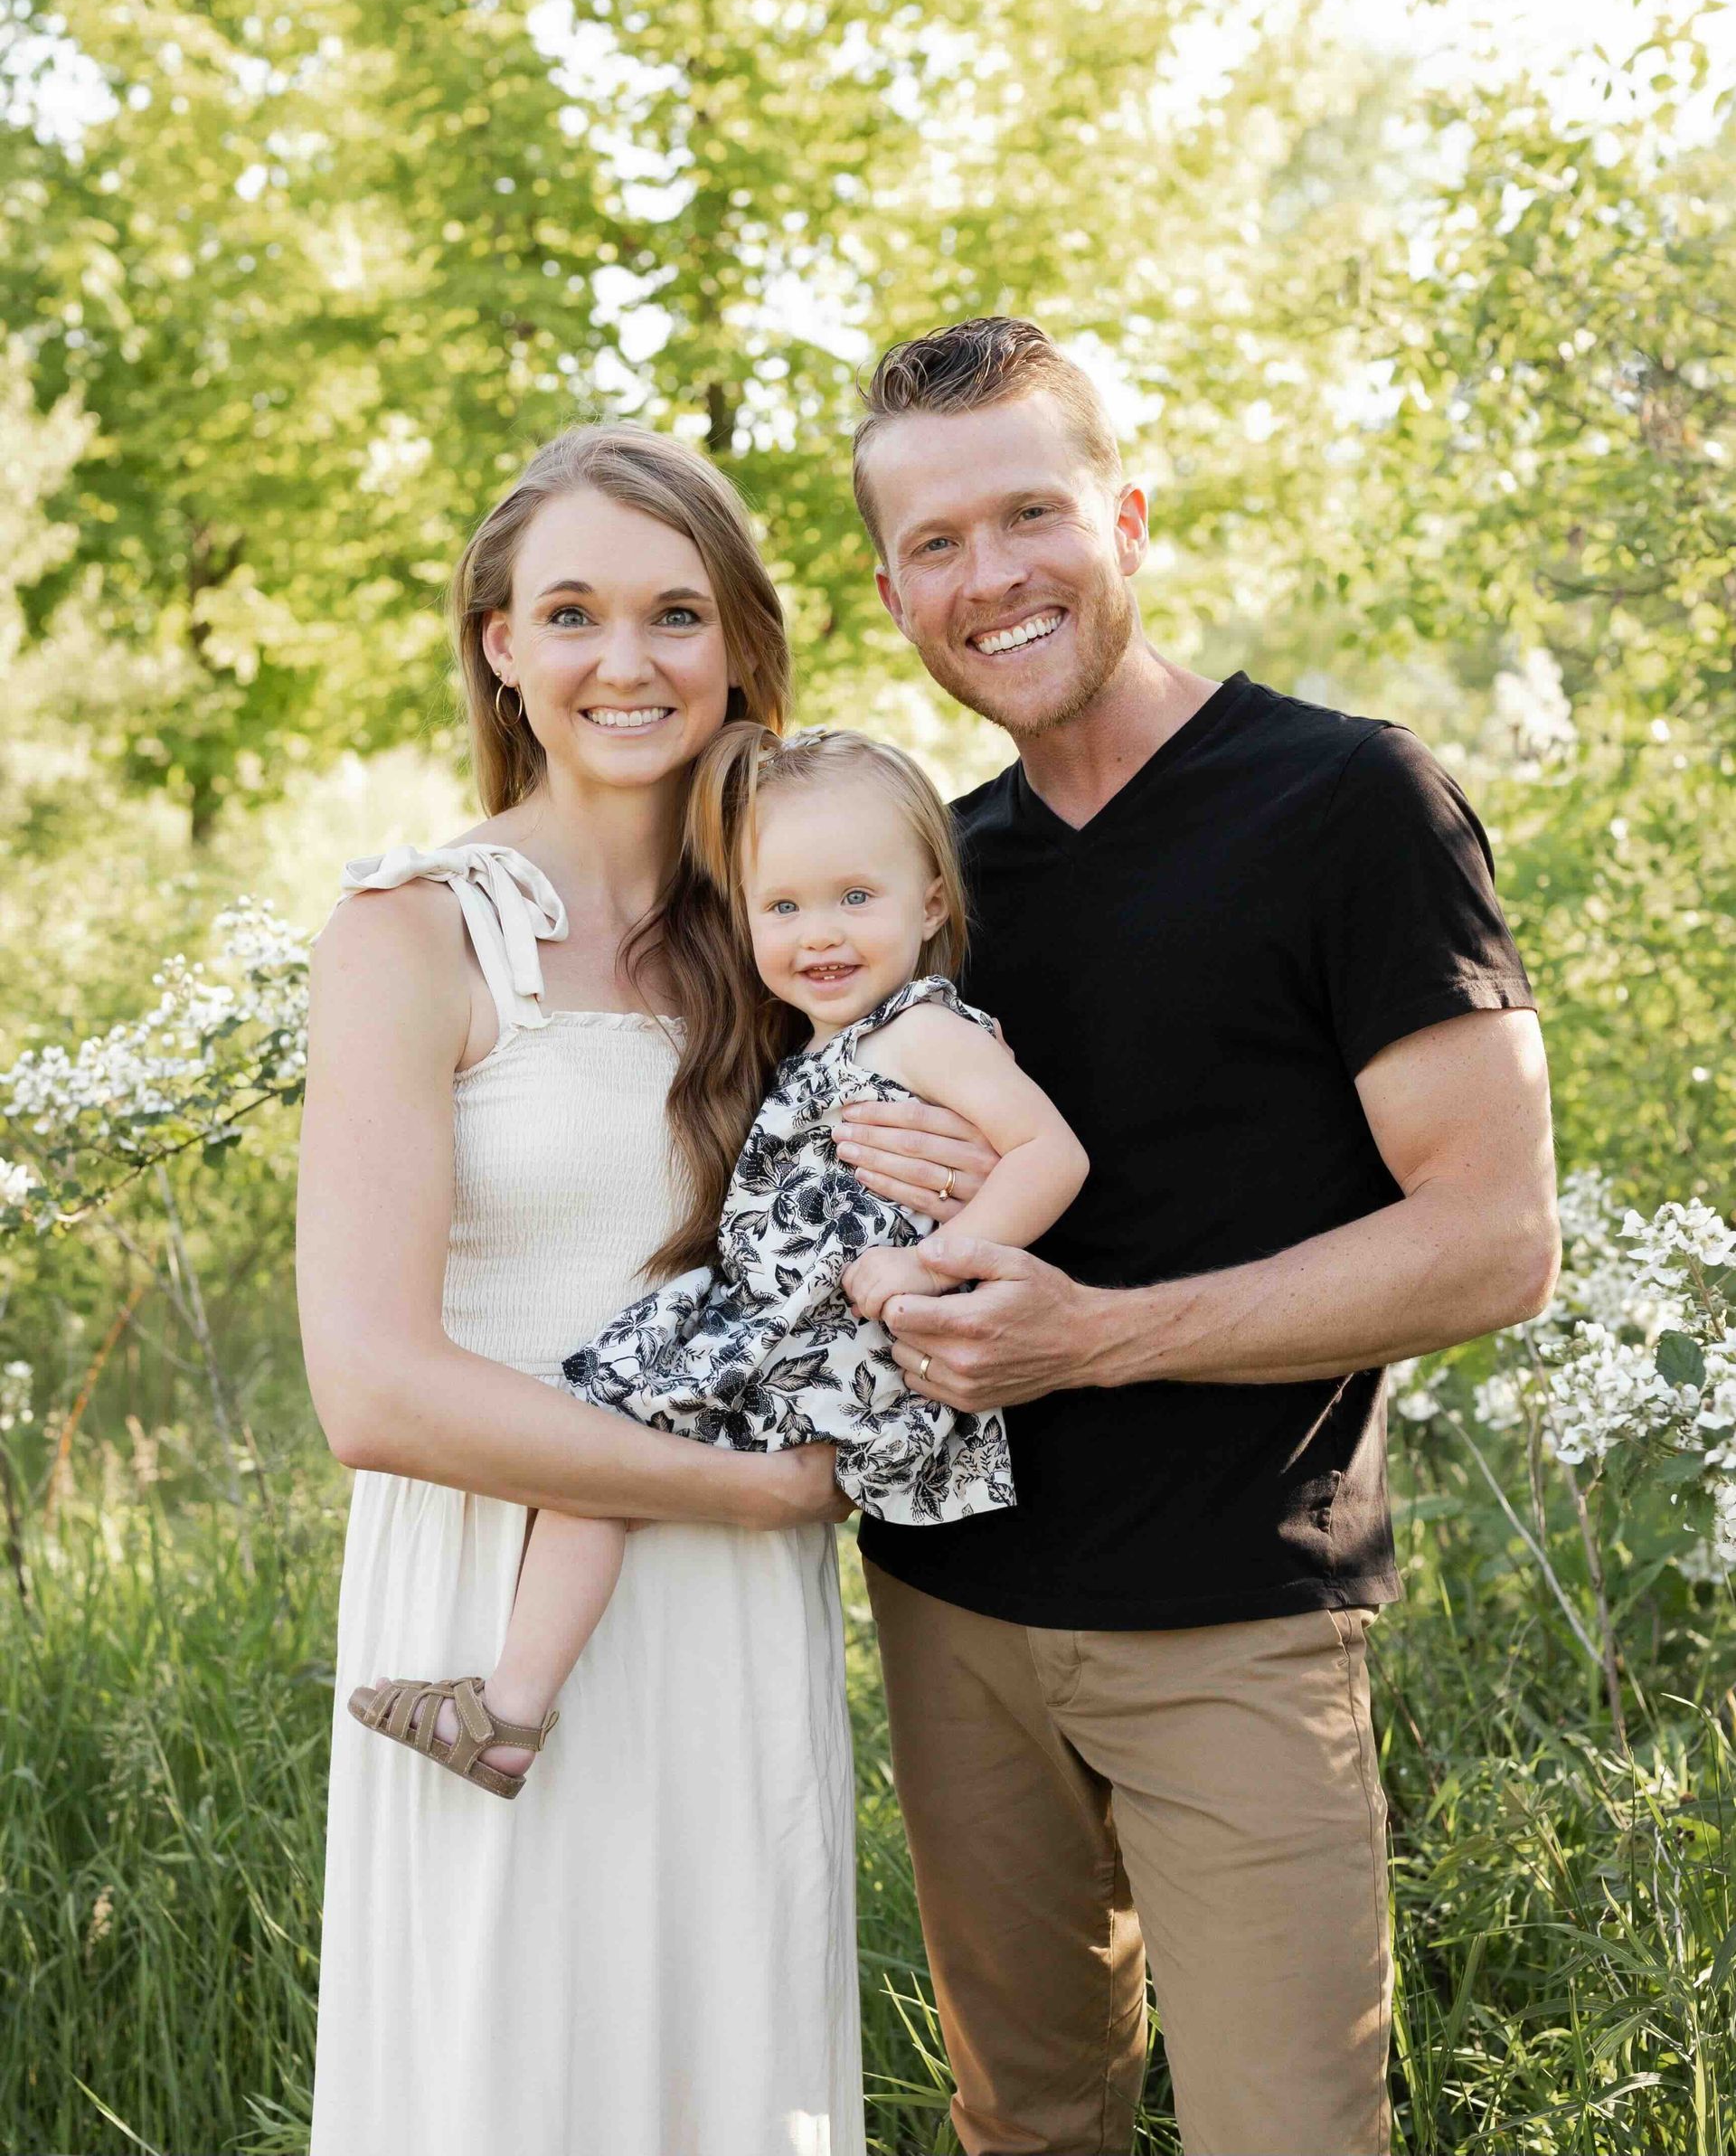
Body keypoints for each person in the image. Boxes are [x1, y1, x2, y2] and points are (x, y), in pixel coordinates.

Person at [830, 318, 1561, 2156]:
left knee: (1290, 2135)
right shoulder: (934, 882)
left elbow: (1494, 1241)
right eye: (933, 543)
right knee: (1029, 2129)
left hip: (1237, 1628)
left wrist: (1101, 1333)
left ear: (1129, 519)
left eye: (1029, 514)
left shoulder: (1345, 803)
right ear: (895, 585)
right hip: (951, 1614)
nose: (989, 576)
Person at [296, 424, 863, 2156]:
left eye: (676, 613)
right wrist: (756, 1485)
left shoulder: (801, 941)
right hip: (487, 1605)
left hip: (729, 1630)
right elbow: (372, 1392)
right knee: (502, 2084)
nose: (627, 661)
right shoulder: (411, 935)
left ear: (741, 644)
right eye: (572, 613)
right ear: (502, 645)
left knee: (725, 2066)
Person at [344, 722, 1087, 1795]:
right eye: (780, 908)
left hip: (842, 1345)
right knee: (598, 1452)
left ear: (932, 903)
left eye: (854, 900)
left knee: (595, 1443)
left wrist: (936, 1265)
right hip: (795, 1329)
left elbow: (1049, 1155)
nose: (817, 935)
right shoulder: (832, 1039)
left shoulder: (922, 1032)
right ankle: (507, 1708)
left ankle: (506, 1711)